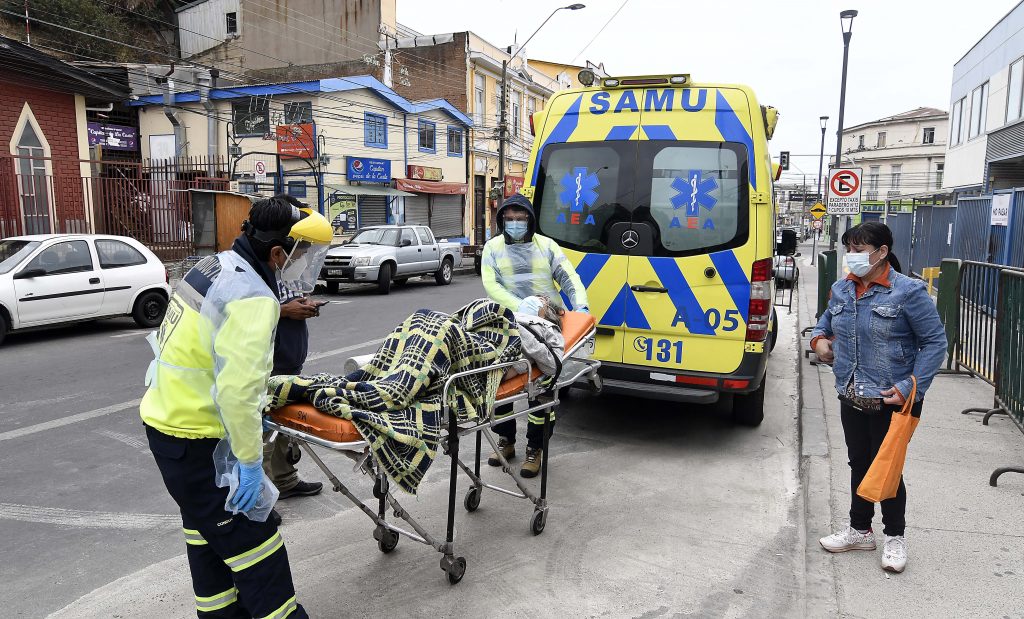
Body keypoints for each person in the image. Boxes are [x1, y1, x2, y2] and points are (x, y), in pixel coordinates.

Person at [141, 194, 332, 618]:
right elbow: (237, 394)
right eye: (306, 255)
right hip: (199, 441)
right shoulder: (253, 298)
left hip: (167, 426)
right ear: (278, 252)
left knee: (206, 541)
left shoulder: (214, 266)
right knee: (259, 556)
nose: (307, 265)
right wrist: (247, 463)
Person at [810, 221, 946, 574]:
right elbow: (823, 324)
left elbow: (935, 343)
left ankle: (894, 536)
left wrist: (909, 385)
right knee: (859, 463)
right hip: (852, 392)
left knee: (887, 467)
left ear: (882, 252)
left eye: (859, 250)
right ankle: (859, 530)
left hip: (892, 398)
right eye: (849, 249)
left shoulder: (909, 292)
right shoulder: (841, 289)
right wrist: (819, 341)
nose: (851, 257)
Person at [481, 193, 589, 478]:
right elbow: (491, 286)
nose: (515, 223)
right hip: (508, 324)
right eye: (510, 218)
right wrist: (520, 307)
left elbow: (568, 276)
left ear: (530, 219)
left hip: (545, 325)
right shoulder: (492, 248)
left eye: (520, 218)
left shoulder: (547, 246)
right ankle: (505, 441)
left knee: (541, 392)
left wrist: (581, 305)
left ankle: (535, 449)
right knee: (500, 389)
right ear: (502, 219)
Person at [263, 198, 325, 517]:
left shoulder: (289, 264)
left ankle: (285, 480)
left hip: (291, 356)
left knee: (284, 427)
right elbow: (248, 312)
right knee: (263, 430)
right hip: (268, 362)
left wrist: (302, 304)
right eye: (299, 246)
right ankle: (259, 497)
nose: (302, 253)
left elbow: (287, 295)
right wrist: (286, 310)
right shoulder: (260, 267)